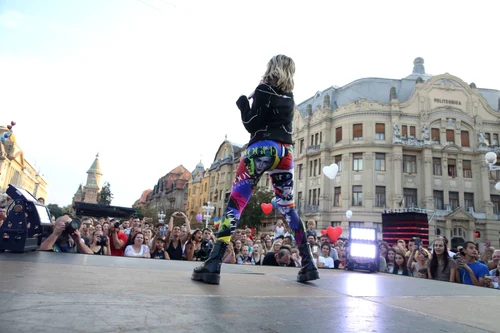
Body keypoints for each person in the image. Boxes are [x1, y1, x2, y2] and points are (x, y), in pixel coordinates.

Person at [192, 55, 319, 284]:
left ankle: (213, 263)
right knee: (288, 208)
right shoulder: (290, 98)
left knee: (235, 204)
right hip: (285, 153)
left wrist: (243, 104)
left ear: (271, 68)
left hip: (261, 149)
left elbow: (251, 124)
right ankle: (309, 264)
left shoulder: (263, 90)